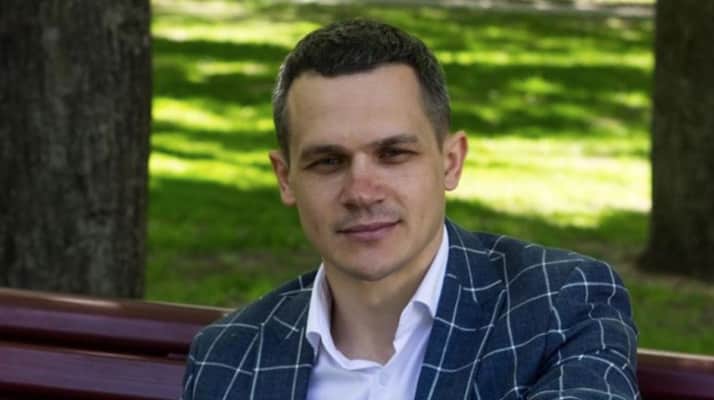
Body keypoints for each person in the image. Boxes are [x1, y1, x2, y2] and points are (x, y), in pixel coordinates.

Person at [182, 19, 639, 400]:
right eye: (328, 162)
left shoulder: (560, 305)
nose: (361, 192)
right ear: (286, 178)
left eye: (393, 154)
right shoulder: (229, 356)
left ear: (451, 162)